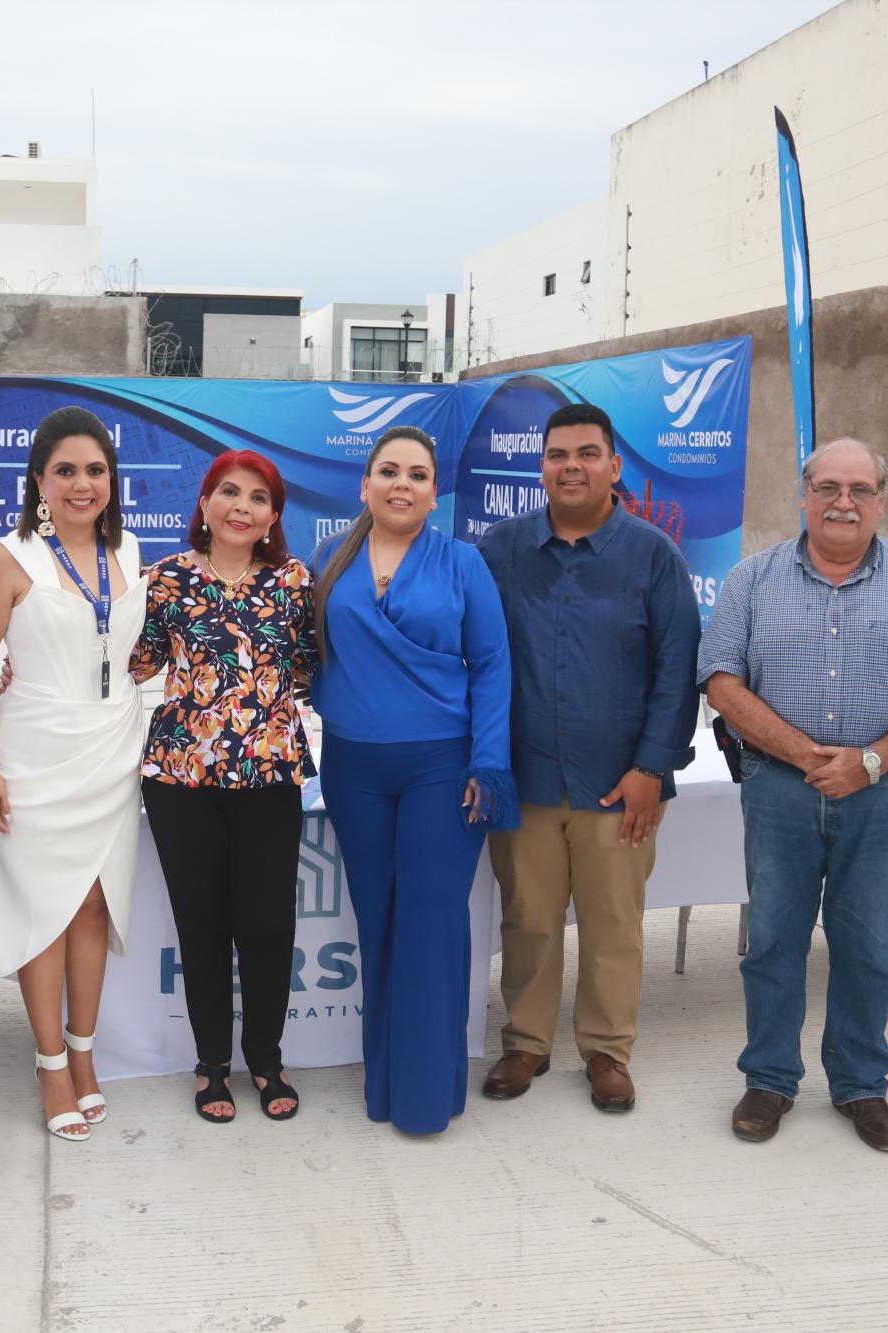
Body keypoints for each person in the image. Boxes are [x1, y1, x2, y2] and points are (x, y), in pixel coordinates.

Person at [698, 438, 888, 1153]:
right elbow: (721, 680)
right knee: (772, 940)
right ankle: (768, 1078)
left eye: (859, 488)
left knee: (868, 945)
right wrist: (803, 753)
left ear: (882, 500)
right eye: (828, 486)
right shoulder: (751, 579)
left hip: (883, 793)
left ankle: (860, 1084)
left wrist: (873, 759)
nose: (843, 502)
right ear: (804, 494)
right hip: (778, 789)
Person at [478, 402, 701, 1111]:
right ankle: (526, 1044)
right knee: (530, 919)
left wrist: (652, 769)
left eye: (585, 453)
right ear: (541, 467)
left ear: (614, 466)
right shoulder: (500, 550)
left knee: (612, 922)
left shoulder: (653, 555)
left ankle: (607, 1050)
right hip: (528, 779)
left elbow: (677, 667)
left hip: (619, 784)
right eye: (556, 454)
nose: (570, 465)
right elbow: (473, 654)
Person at [310, 425, 517, 1136]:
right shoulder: (327, 560)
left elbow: (492, 664)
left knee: (430, 923)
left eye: (418, 473)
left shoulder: (464, 563)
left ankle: (428, 1095)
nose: (403, 483)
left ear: (435, 491)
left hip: (442, 766)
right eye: (389, 470)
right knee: (379, 922)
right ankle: (384, 1084)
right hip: (352, 767)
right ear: (364, 485)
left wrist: (488, 760)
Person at [0, 406, 147, 1141]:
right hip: (35, 753)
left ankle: (84, 1052)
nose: (82, 484)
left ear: (113, 479)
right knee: (44, 912)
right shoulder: (9, 559)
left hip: (113, 749)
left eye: (95, 470)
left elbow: (136, 652)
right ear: (39, 479)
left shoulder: (132, 551)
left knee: (94, 907)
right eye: (65, 470)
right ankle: (48, 1065)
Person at [130, 450, 318, 1124]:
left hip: (270, 774)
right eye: (229, 491)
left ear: (273, 516)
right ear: (205, 503)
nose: (243, 506)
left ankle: (265, 1059)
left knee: (268, 924)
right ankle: (211, 1063)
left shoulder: (295, 581)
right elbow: (133, 660)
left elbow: (309, 669)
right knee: (202, 925)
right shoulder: (167, 579)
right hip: (182, 778)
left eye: (259, 497)